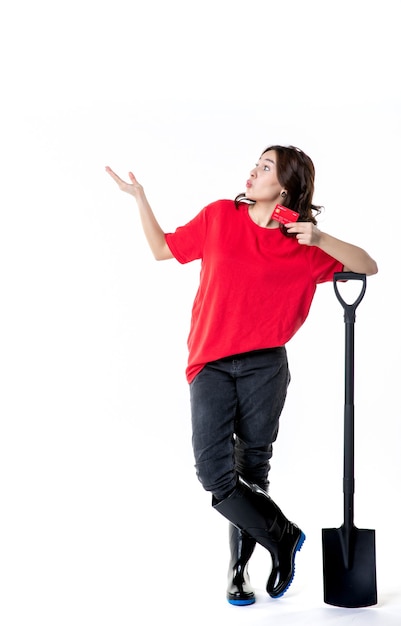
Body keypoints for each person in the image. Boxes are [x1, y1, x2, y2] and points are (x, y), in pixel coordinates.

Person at [105, 145, 378, 606]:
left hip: (265, 368)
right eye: (256, 164)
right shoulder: (219, 216)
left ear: (285, 185)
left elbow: (367, 265)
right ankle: (284, 536)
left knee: (252, 468)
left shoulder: (303, 247)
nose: (253, 171)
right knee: (215, 473)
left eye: (265, 167)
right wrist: (139, 198)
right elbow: (161, 249)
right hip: (209, 363)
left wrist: (320, 238)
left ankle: (238, 571)